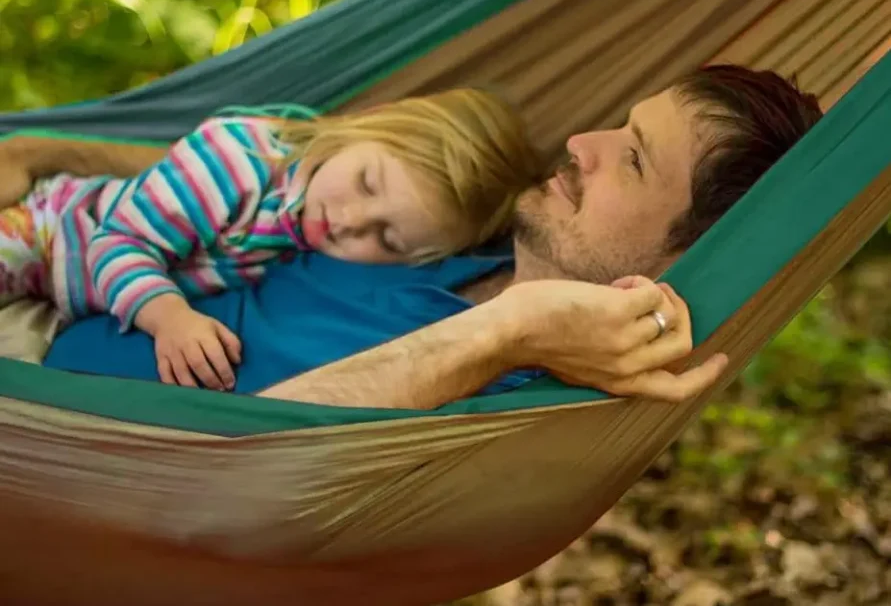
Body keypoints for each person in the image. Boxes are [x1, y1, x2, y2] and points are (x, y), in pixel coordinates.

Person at [1, 64, 823, 409]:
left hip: (49, 438)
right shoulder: (473, 226)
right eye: (617, 126)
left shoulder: (531, 391)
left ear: (691, 251)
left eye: (632, 160)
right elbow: (264, 170)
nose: (581, 144)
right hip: (45, 298)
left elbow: (234, 470)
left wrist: (510, 330)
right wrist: (44, 154)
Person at [0, 89, 542, 390]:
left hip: (70, 292)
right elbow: (115, 243)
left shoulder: (311, 227)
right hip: (48, 233)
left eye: (387, 238)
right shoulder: (235, 162)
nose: (349, 220)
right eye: (366, 182)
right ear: (368, 124)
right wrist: (170, 319)